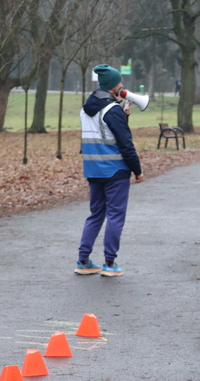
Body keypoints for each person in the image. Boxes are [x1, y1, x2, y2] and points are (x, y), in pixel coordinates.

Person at [74, 63, 144, 277]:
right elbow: (125, 144)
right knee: (115, 215)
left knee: (96, 214)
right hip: (115, 171)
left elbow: (102, 133)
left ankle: (83, 260)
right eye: (120, 85)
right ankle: (109, 263)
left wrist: (124, 116)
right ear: (113, 87)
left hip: (94, 170)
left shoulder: (85, 110)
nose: (122, 88)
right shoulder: (111, 110)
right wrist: (137, 170)